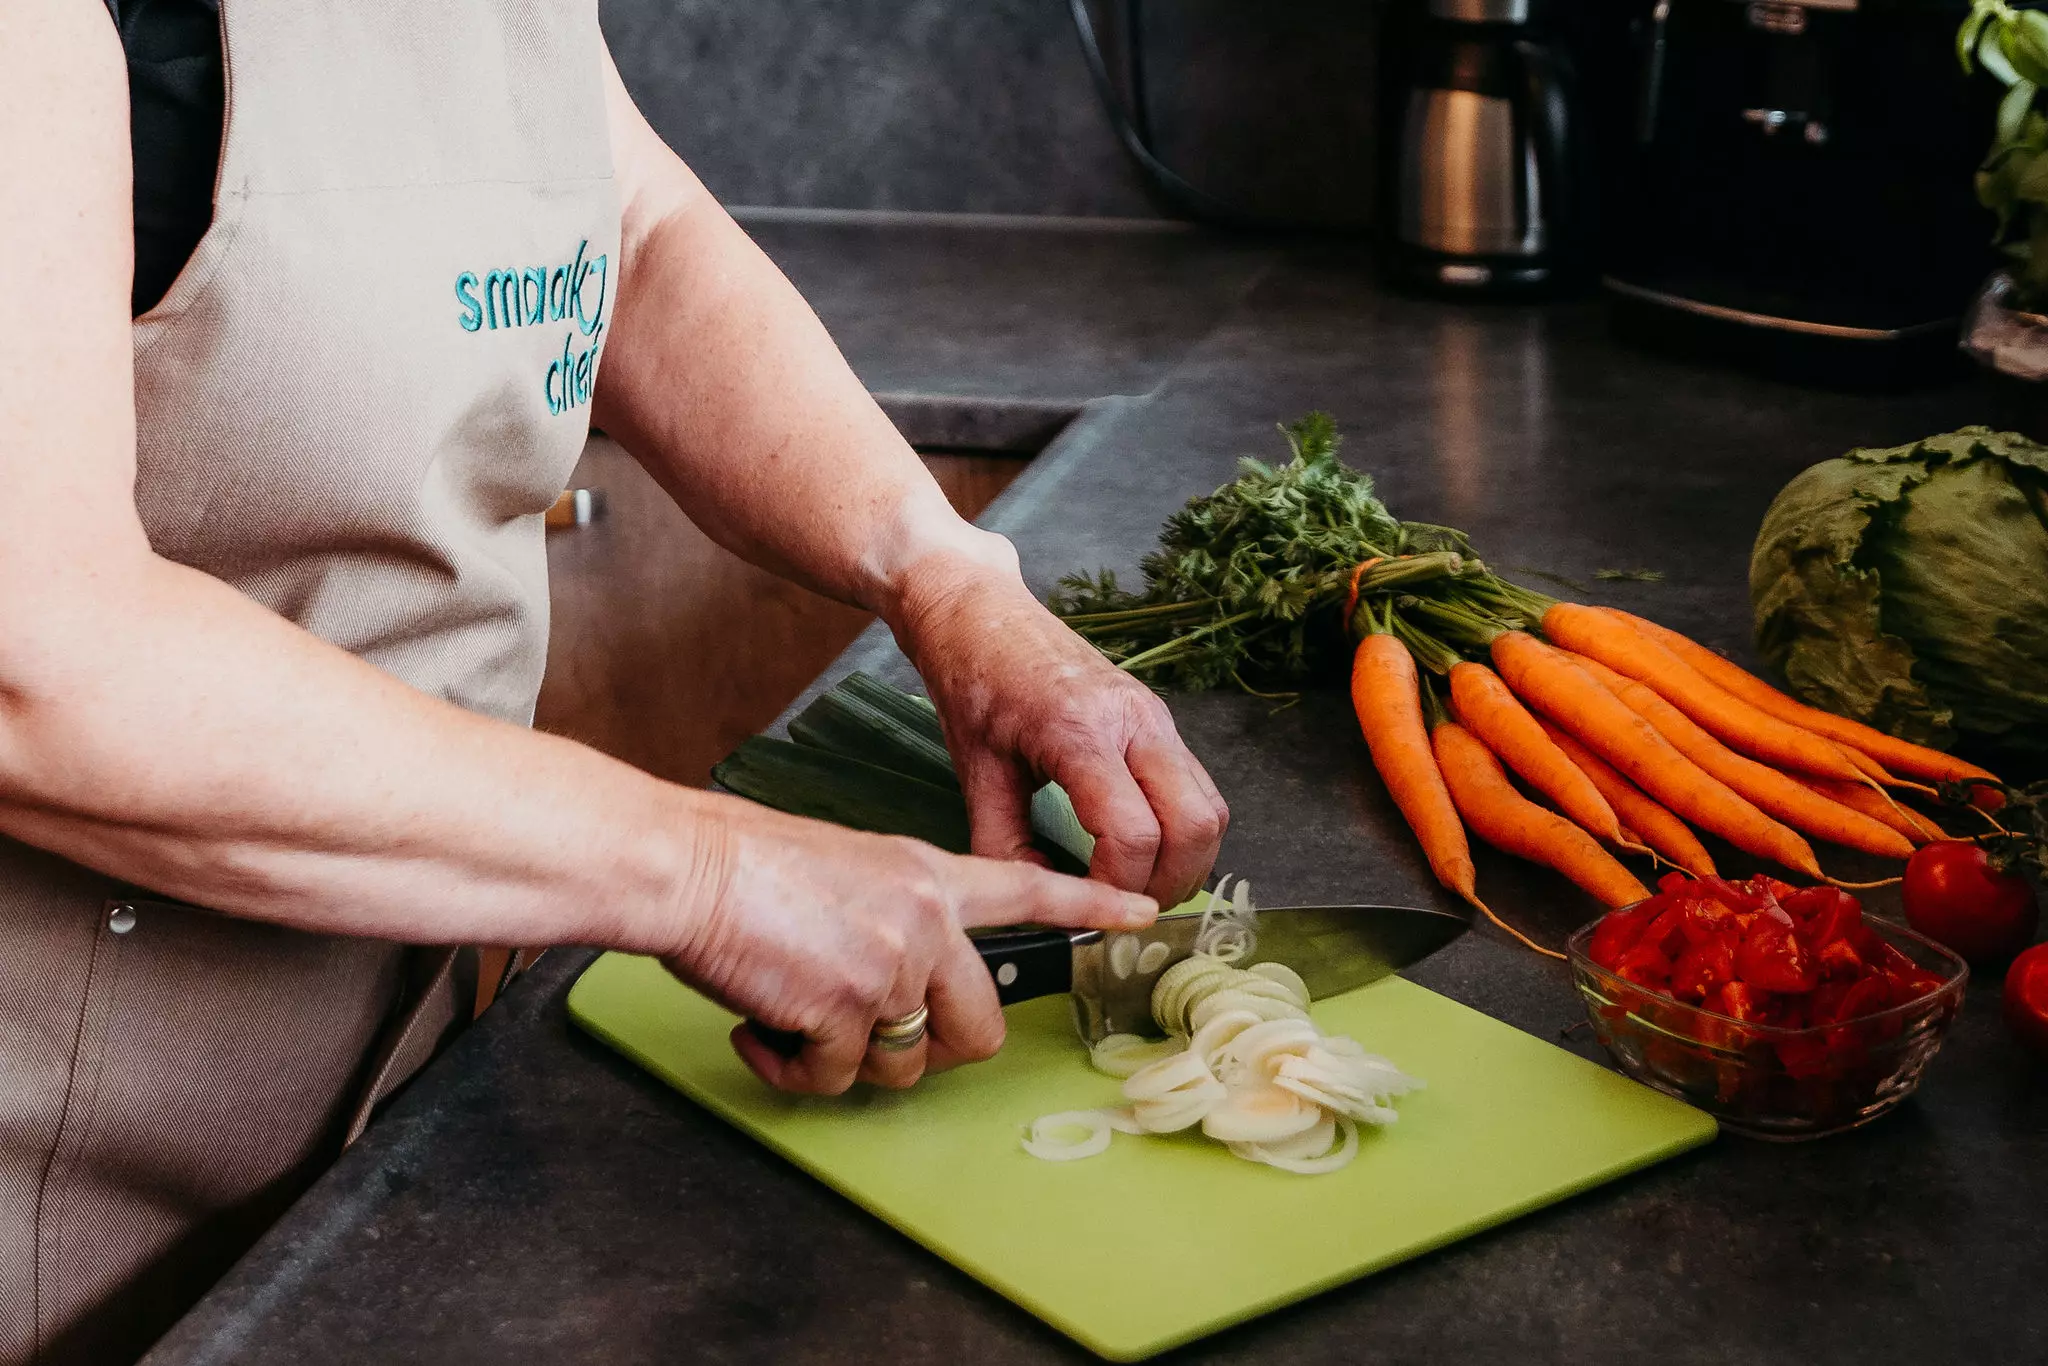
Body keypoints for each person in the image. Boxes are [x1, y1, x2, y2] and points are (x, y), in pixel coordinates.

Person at [0, 1, 1230, 1361]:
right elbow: (38, 660)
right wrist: (706, 872)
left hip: (372, 1116)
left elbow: (627, 226)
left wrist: (944, 576)